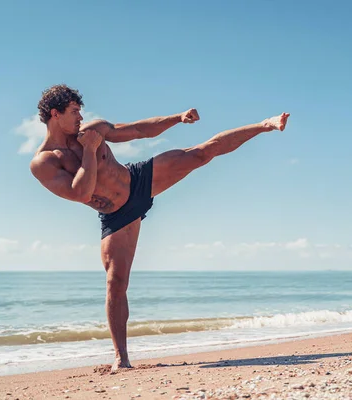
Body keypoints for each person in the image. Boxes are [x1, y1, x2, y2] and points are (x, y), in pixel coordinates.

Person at [29, 84, 290, 371]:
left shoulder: (94, 130)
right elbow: (81, 193)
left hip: (137, 181)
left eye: (81, 111)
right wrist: (90, 151)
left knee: (201, 154)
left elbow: (139, 130)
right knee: (116, 284)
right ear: (55, 114)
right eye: (74, 111)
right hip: (117, 215)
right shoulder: (45, 162)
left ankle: (264, 125)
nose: (81, 116)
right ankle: (122, 359)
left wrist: (177, 117)